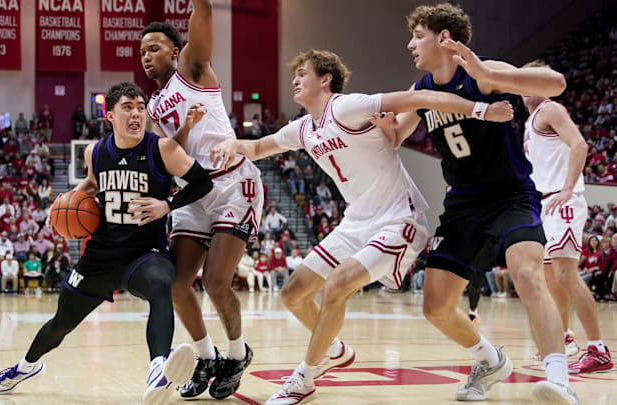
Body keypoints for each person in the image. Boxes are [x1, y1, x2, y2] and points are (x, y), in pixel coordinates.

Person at [209, 48, 512, 404]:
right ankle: (336, 350)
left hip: (399, 217)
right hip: (357, 220)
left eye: (303, 73)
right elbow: (259, 147)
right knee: (293, 292)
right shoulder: (304, 128)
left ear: (325, 79)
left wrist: (482, 110)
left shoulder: (347, 106)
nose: (295, 79)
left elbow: (422, 97)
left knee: (337, 284)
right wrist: (233, 144)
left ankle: (304, 378)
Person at [372, 4, 577, 403]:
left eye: (418, 35)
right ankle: (490, 359)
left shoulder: (481, 74)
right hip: (462, 205)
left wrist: (489, 74)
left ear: (444, 38)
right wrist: (384, 129)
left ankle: (559, 379)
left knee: (528, 274)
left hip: (510, 197)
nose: (410, 43)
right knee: (435, 307)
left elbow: (557, 83)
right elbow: (397, 137)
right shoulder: (421, 91)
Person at [0, 82, 213, 405]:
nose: (136, 113)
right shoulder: (96, 153)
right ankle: (26, 367)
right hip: (101, 256)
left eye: (140, 107)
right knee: (61, 323)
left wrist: (168, 205)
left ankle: (158, 368)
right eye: (127, 108)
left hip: (143, 254)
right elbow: (93, 183)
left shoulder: (162, 149)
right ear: (110, 116)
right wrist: (66, 202)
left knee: (163, 282)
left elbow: (202, 183)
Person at [140, 1, 265, 399]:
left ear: (175, 52)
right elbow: (171, 151)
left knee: (214, 281)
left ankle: (235, 352)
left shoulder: (192, 70)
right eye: (142, 51)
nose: (147, 56)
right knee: (176, 284)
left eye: (155, 48)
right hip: (195, 189)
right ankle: (205, 355)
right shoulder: (154, 105)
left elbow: (205, 15)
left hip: (233, 182)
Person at [522, 67, 612, 374]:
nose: (525, 87)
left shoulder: (550, 108)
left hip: (562, 200)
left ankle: (598, 349)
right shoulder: (531, 120)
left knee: (565, 275)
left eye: (532, 81)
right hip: (545, 203)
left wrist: (568, 189)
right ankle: (562, 341)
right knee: (551, 279)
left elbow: (580, 144)